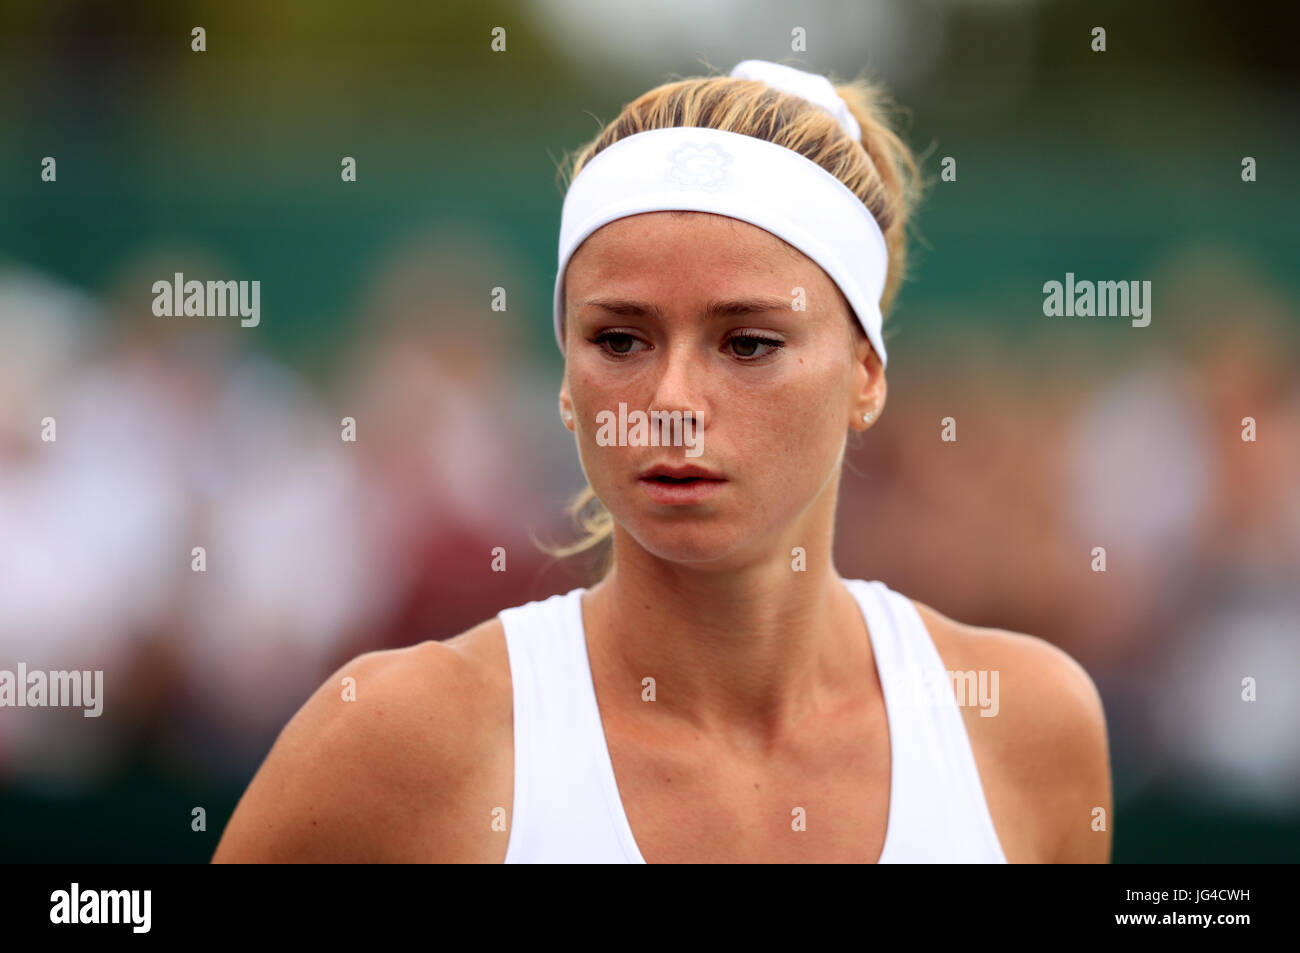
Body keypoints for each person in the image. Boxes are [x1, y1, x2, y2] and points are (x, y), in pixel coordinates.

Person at [213, 59, 1112, 863]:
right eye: (620, 339)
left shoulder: (1028, 725)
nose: (672, 403)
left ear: (866, 377)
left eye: (749, 343)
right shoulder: (399, 738)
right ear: (564, 379)